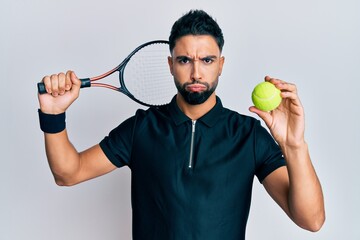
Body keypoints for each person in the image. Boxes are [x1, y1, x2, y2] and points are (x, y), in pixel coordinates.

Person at [37, 9, 325, 240]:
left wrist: (293, 145)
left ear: (221, 64)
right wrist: (53, 114)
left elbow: (311, 220)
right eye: (185, 60)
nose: (196, 72)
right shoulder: (141, 129)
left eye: (207, 60)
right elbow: (68, 173)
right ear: (170, 64)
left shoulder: (248, 135)